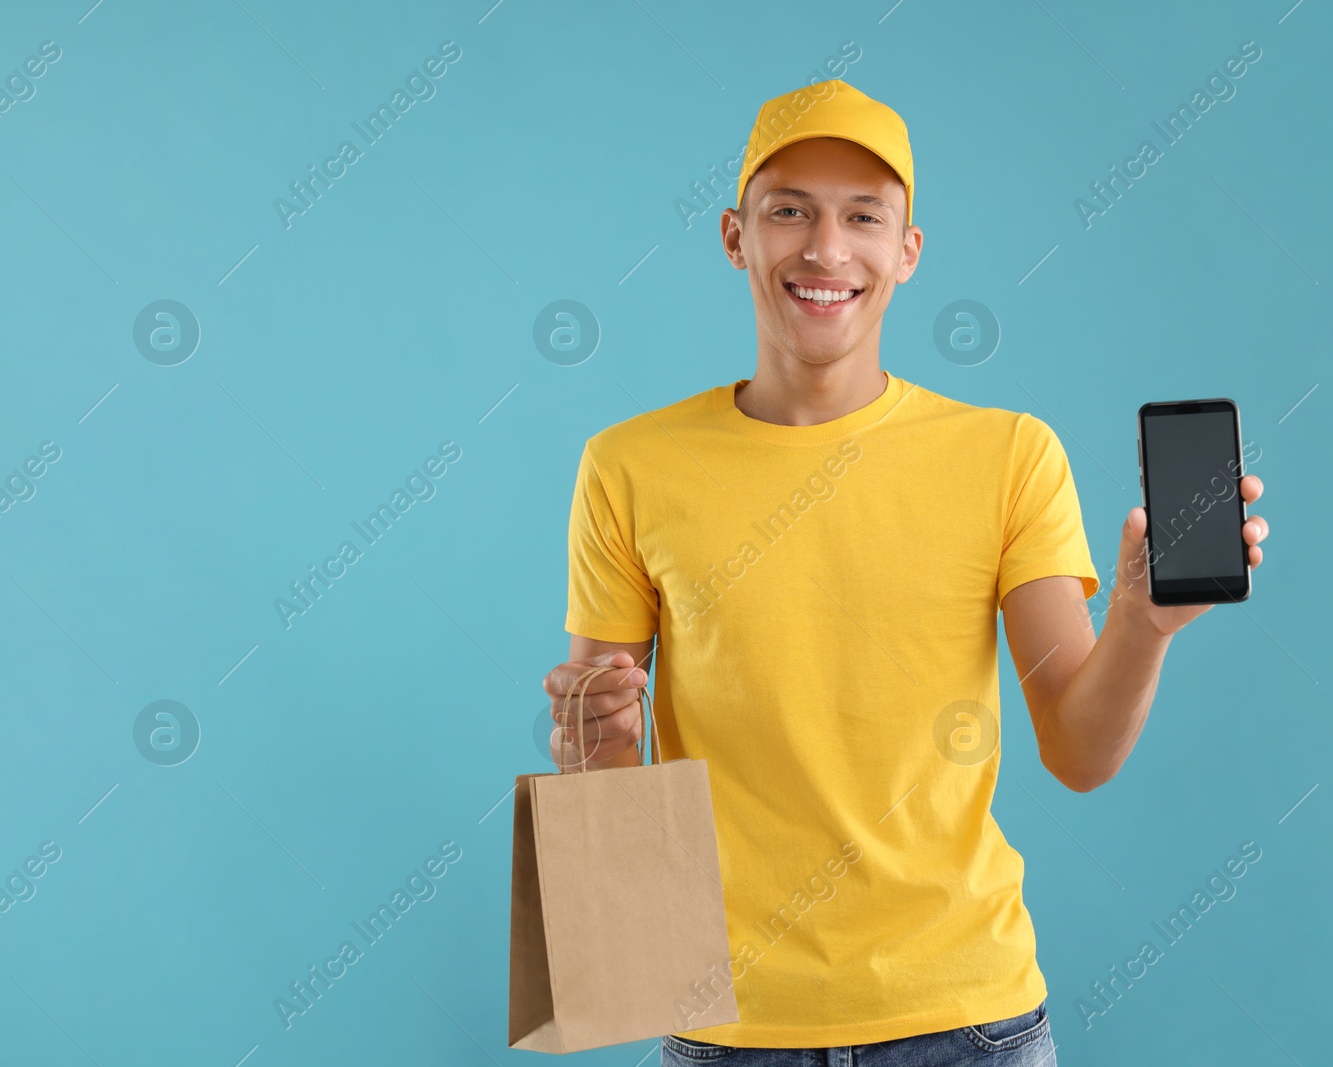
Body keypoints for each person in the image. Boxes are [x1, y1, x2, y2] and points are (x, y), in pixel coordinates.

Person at [541, 79, 1269, 1067]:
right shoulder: (628, 465)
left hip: (969, 1022)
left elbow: (1077, 751)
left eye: (863, 217)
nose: (824, 249)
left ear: (907, 252)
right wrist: (592, 746)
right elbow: (603, 771)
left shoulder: (1008, 454)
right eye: (788, 210)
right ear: (733, 236)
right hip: (728, 1032)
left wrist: (1143, 623)